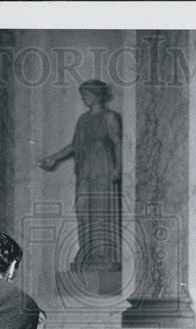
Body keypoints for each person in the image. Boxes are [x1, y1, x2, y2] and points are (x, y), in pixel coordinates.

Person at [38, 79, 122, 273]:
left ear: (97, 95)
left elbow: (117, 142)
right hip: (84, 171)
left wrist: (118, 166)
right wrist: (54, 158)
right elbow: (75, 145)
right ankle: (87, 251)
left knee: (102, 212)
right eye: (82, 94)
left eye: (86, 94)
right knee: (83, 212)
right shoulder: (83, 120)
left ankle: (104, 255)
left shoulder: (109, 117)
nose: (84, 97)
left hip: (103, 170)